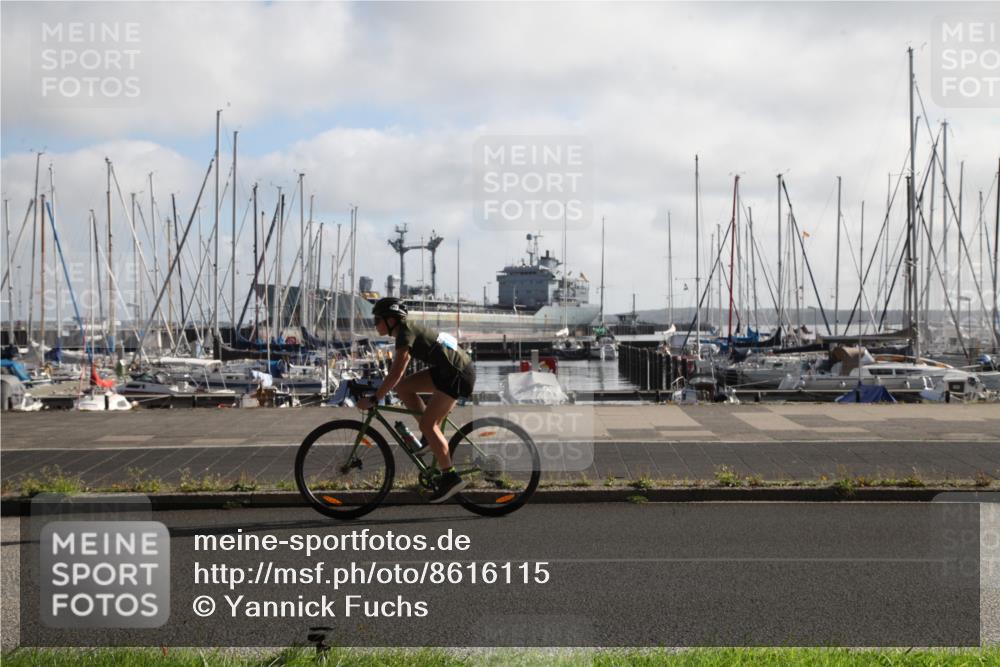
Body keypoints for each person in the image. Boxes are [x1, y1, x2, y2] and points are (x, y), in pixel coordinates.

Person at [357, 297, 476, 503]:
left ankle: (450, 476)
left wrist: (376, 398)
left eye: (377, 319)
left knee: (429, 424)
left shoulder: (405, 333)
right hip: (447, 370)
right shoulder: (405, 331)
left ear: (391, 319)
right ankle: (429, 438)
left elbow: (396, 371)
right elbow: (399, 380)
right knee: (404, 389)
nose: (375, 324)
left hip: (457, 374)